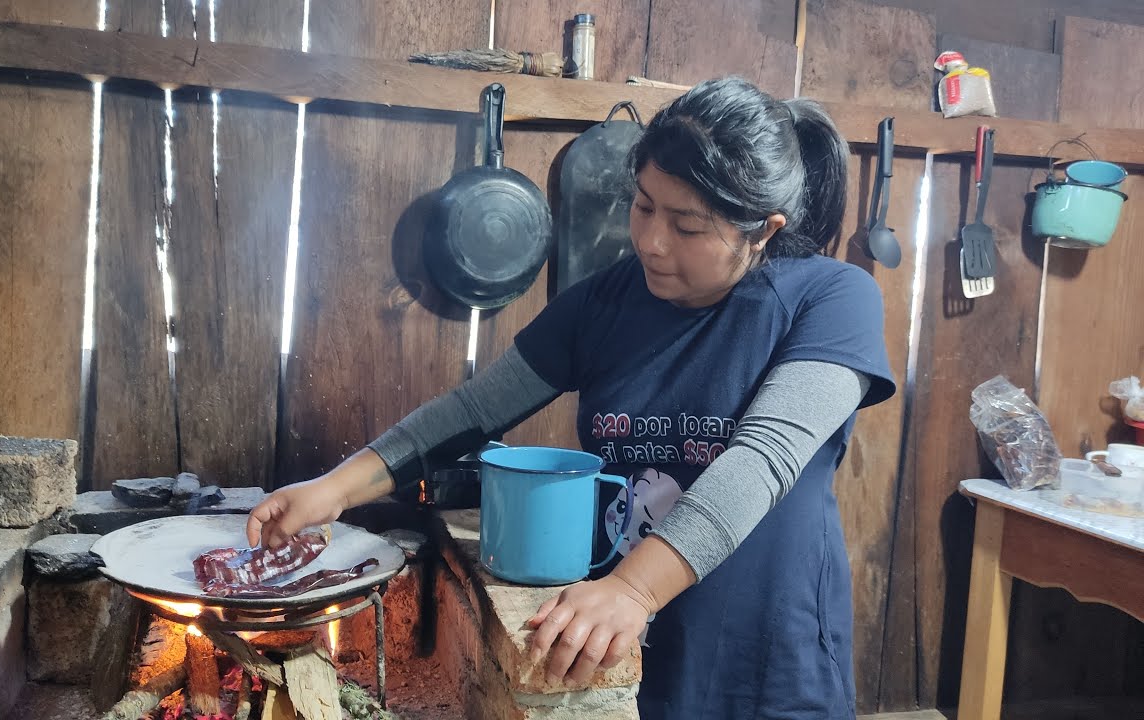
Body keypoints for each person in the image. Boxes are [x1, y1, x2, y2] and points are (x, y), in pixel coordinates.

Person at [247, 76, 896, 719]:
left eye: (688, 226)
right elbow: (472, 412)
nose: (652, 241)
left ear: (763, 230)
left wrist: (633, 589)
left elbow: (762, 460)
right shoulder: (605, 302)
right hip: (620, 644)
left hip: (765, 663)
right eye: (644, 206)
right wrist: (335, 488)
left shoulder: (831, 299)